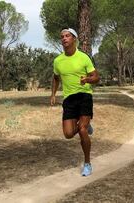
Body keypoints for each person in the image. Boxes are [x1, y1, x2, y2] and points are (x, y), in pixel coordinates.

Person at [50, 28, 100, 177]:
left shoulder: (83, 57)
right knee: (68, 134)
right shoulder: (58, 61)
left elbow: (96, 77)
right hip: (69, 99)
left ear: (74, 39)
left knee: (82, 130)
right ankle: (86, 124)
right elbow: (56, 77)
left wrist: (87, 79)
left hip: (84, 96)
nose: (64, 39)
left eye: (67, 36)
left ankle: (87, 164)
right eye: (62, 37)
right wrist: (53, 94)